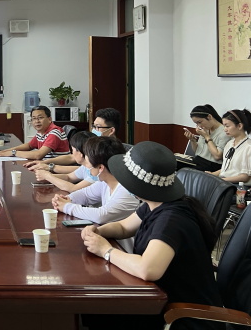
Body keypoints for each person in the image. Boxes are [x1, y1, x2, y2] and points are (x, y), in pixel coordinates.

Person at [81, 141, 223, 330]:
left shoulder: (172, 219)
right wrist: (98, 231)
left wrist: (106, 251)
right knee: (92, 312)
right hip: (157, 298)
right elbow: (123, 227)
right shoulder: (154, 204)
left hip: (182, 315)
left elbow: (147, 269)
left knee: (94, 313)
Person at [52, 137, 139, 231]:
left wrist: (66, 207)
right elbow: (85, 194)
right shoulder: (105, 182)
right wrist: (67, 199)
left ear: (100, 168)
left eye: (87, 163)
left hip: (120, 240)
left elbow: (101, 216)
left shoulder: (127, 189)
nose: (85, 166)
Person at [31, 131, 97, 193]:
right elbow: (68, 177)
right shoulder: (85, 167)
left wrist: (48, 176)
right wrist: (45, 176)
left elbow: (73, 189)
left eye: (73, 150)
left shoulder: (96, 172)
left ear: (80, 153)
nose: (72, 153)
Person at [0, 106, 69, 160]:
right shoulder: (41, 132)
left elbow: (38, 155)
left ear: (49, 119)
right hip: (46, 165)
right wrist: (7, 151)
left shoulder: (54, 132)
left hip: (57, 169)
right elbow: (29, 146)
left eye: (40, 118)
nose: (37, 121)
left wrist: (13, 153)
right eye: (34, 118)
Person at [207, 109, 251, 184]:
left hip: (237, 186)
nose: (225, 129)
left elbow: (244, 177)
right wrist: (212, 174)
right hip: (225, 182)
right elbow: (226, 169)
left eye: (227, 126)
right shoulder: (229, 144)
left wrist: (221, 180)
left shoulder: (248, 147)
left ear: (239, 126)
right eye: (224, 126)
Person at [183, 104, 230, 172]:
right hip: (198, 161)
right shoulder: (205, 129)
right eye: (196, 124)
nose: (199, 126)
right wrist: (192, 140)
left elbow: (217, 156)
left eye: (200, 122)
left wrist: (207, 137)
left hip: (212, 166)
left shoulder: (224, 132)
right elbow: (197, 152)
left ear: (209, 117)